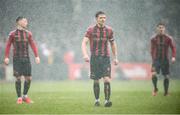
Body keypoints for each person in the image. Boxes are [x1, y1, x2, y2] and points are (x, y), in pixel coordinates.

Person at [81, 11, 118, 107]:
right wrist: (85, 54)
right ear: (96, 19)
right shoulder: (90, 30)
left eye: (104, 18)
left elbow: (113, 44)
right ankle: (97, 100)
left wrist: (115, 57)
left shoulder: (109, 30)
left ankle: (106, 101)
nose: (103, 19)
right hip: (95, 58)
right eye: (101, 18)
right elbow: (84, 43)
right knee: (96, 80)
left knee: (107, 80)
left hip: (106, 58)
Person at [4, 16, 40, 104]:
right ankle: (19, 97)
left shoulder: (28, 33)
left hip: (26, 58)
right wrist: (6, 57)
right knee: (18, 78)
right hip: (17, 59)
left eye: (26, 21)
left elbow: (33, 45)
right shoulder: (12, 34)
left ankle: (25, 96)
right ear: (19, 22)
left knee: (29, 78)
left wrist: (37, 56)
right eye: (24, 21)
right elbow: (8, 45)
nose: (26, 23)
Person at [150, 23, 176, 96]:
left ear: (164, 29)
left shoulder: (168, 38)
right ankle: (155, 89)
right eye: (159, 28)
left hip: (165, 60)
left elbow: (173, 48)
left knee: (166, 76)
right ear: (157, 29)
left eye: (162, 28)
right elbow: (151, 50)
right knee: (154, 74)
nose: (161, 29)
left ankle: (166, 92)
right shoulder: (153, 39)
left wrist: (173, 56)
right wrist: (153, 59)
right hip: (156, 60)